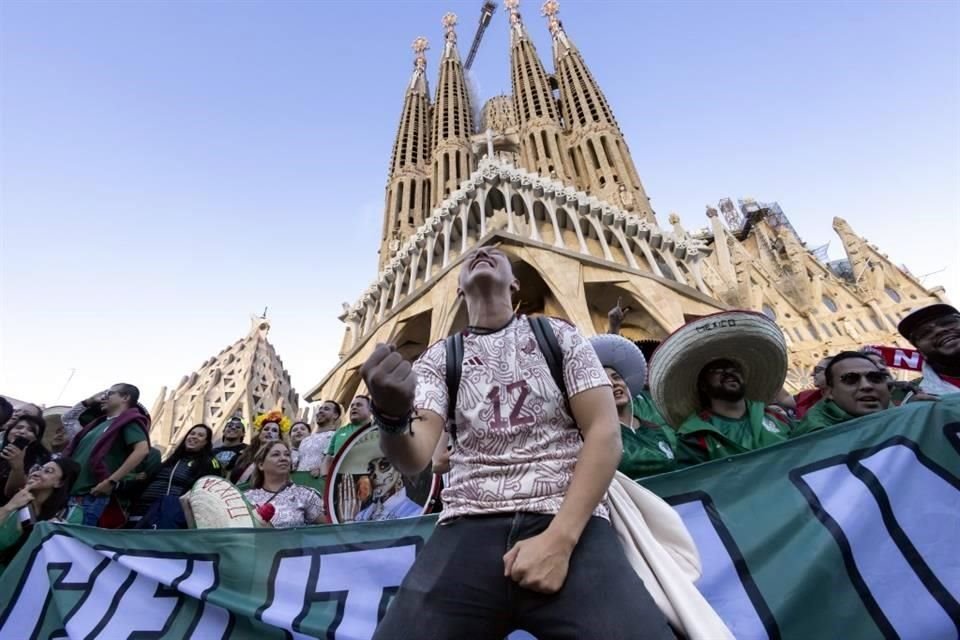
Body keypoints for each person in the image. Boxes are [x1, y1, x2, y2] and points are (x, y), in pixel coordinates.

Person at [361, 246, 673, 639]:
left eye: (497, 253)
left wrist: (560, 541)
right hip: (466, 528)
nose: (481, 250)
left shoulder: (558, 335)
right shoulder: (439, 359)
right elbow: (415, 455)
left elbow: (604, 434)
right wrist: (390, 415)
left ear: (515, 283)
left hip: (565, 521)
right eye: (469, 256)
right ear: (458, 291)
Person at [648, 311, 792, 465]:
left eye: (733, 368)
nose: (728, 373)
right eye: (717, 370)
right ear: (703, 385)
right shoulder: (695, 436)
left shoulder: (776, 418)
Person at [589, 334, 678, 480]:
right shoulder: (592, 435)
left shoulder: (654, 429)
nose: (614, 383)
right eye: (603, 380)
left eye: (616, 377)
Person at [65, 385, 150, 527]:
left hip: (90, 497)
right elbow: (67, 419)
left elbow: (142, 450)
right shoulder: (97, 424)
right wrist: (90, 400)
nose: (103, 398)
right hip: (70, 493)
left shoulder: (129, 421)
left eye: (109, 393)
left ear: (125, 397)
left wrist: (111, 481)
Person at [128, 424, 221, 528]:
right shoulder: (173, 459)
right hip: (140, 511)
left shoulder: (209, 462)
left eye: (200, 435)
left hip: (167, 515)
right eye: (192, 433)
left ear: (206, 443)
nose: (194, 437)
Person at [0, 458, 81, 569]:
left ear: (60, 483)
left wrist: (52, 532)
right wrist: (9, 506)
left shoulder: (69, 514)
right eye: (38, 468)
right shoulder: (16, 502)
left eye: (48, 471)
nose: (37, 473)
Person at [792, 352, 892, 437]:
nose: (866, 386)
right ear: (829, 392)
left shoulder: (901, 414)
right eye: (850, 379)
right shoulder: (816, 435)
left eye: (875, 378)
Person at [243, 441, 324, 529]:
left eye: (287, 455)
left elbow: (330, 527)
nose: (283, 458)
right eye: (276, 454)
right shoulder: (246, 498)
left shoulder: (305, 495)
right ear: (261, 465)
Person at [898, 303, 960, 396]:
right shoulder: (920, 399)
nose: (939, 330)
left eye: (947, 322)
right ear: (920, 352)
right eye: (925, 333)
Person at [0, 415, 51, 505]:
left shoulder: (39, 461)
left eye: (31, 430)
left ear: (36, 439)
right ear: (9, 431)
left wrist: (18, 467)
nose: (22, 432)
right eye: (18, 427)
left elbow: (12, 493)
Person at [352, 456, 422, 521]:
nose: (374, 474)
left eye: (383, 466)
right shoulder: (365, 513)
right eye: (371, 469)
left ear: (399, 472)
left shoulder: (416, 513)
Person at [229, 411, 289, 485]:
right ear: (260, 434)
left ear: (279, 437)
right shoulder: (242, 454)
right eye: (266, 429)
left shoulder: (282, 459)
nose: (269, 432)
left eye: (274, 430)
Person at [296, 401, 342, 477]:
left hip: (321, 483)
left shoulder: (337, 437)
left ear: (335, 415)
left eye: (326, 409)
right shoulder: (305, 440)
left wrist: (322, 470)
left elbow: (338, 462)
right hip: (299, 483)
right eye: (320, 409)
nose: (320, 411)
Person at [324, 396, 372, 461]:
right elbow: (328, 458)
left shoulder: (378, 429)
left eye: (359, 405)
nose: (354, 407)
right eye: (352, 406)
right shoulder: (339, 432)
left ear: (370, 409)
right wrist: (325, 471)